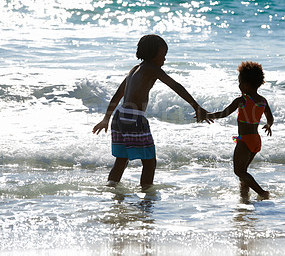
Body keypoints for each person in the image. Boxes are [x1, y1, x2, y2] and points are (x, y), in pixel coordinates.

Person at [92, 34, 209, 190]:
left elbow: (118, 94)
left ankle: (112, 191)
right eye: (163, 56)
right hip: (135, 118)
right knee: (149, 162)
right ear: (152, 54)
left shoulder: (134, 69)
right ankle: (146, 196)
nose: (164, 60)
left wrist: (106, 118)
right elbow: (175, 86)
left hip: (119, 116)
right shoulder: (153, 69)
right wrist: (196, 106)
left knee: (121, 159)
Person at [205, 61, 273, 200]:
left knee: (239, 171)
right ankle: (244, 196)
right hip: (256, 140)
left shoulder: (242, 100)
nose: (239, 85)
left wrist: (207, 115)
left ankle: (262, 193)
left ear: (246, 84)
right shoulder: (263, 101)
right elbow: (270, 118)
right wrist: (268, 125)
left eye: (240, 82)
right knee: (244, 172)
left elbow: (224, 113)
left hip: (245, 140)